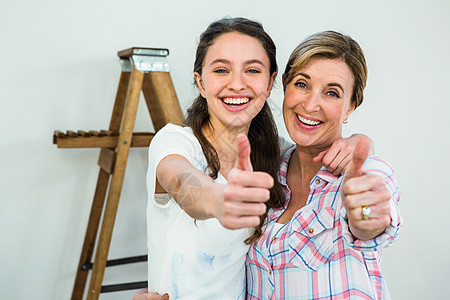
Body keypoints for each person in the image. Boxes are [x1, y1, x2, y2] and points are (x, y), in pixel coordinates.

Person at [135, 18, 370, 300]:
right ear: (201, 82)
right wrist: (218, 200)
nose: (237, 84)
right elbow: (182, 181)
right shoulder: (176, 141)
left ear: (271, 83)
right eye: (221, 70)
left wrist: (357, 140)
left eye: (252, 70)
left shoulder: (277, 158)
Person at [246, 31, 402, 299]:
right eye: (302, 84)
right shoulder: (267, 167)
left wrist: (365, 211)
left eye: (331, 93)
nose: (310, 104)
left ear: (351, 106)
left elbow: (368, 222)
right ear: (284, 84)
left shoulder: (363, 173)